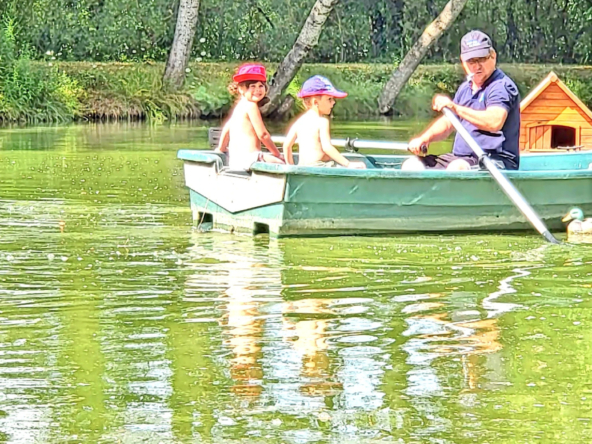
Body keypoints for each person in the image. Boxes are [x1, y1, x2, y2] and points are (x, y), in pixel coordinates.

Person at [403, 30, 521, 171]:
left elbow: (494, 122)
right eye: (471, 61)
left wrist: (456, 108)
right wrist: (425, 138)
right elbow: (449, 122)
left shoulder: (501, 87)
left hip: (495, 160)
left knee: (457, 167)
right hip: (462, 157)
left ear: (493, 56)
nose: (477, 66)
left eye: (481, 59)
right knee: (412, 164)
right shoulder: (465, 88)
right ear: (463, 62)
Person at [282, 75, 365, 169]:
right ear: (315, 102)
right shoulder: (322, 122)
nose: (333, 102)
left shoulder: (299, 122)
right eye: (329, 99)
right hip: (320, 166)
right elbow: (327, 147)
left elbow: (287, 145)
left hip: (303, 167)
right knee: (361, 166)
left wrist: (291, 168)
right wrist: (348, 164)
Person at [215, 63, 284, 170]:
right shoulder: (251, 106)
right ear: (240, 89)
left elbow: (226, 130)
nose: (257, 90)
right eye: (252, 86)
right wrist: (277, 154)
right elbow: (263, 135)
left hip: (236, 161)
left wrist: (221, 148)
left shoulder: (239, 107)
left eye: (260, 86)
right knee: (282, 165)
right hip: (250, 158)